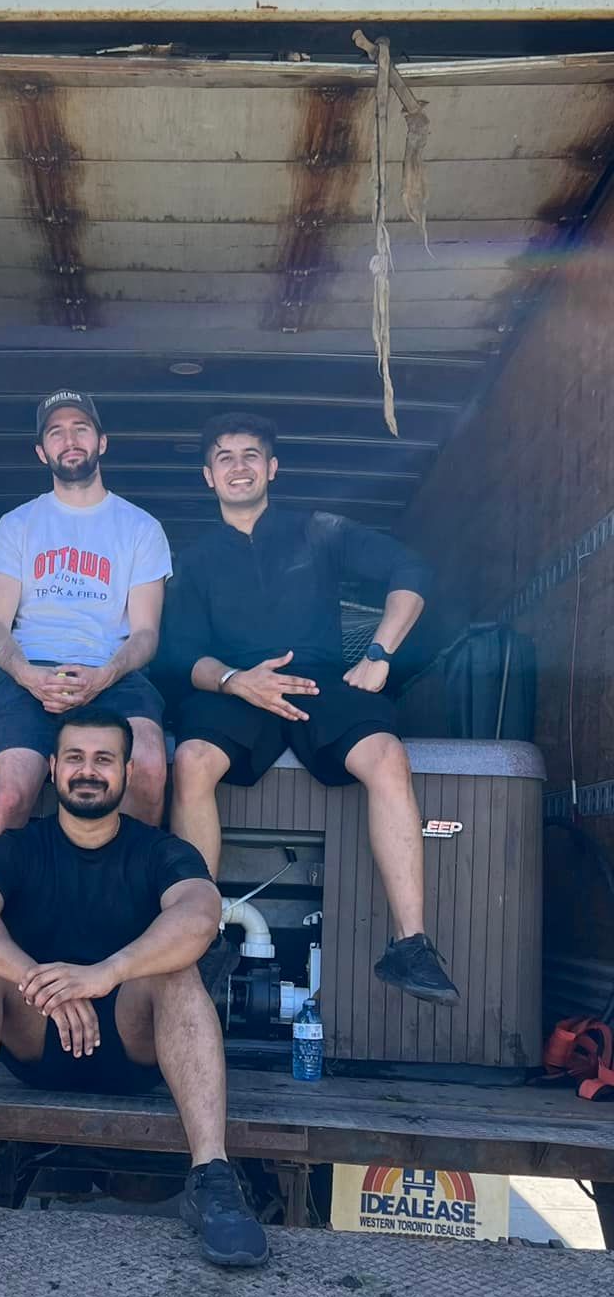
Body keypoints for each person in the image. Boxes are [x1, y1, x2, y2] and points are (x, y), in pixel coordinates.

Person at [0, 711, 270, 1270]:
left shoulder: (160, 851)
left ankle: (213, 1178)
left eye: (104, 759)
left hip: (135, 1046)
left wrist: (105, 973)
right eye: (75, 758)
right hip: (37, 1038)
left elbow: (200, 917)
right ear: (52, 769)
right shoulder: (15, 848)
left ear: (127, 772)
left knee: (177, 968)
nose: (88, 771)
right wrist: (40, 981)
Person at [163, 412, 458, 1007]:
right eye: (225, 457)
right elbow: (178, 657)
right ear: (207, 476)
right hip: (236, 684)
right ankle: (201, 935)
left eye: (251, 455)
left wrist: (379, 653)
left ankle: (411, 945)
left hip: (322, 679)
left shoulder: (320, 530)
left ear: (272, 468)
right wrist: (233, 680)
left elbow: (411, 569)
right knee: (192, 759)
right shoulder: (191, 561)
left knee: (386, 754)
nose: (238, 466)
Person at [0, 389, 172, 836]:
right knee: (11, 794)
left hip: (114, 675)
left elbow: (145, 634)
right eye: (56, 432)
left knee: (146, 772)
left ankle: (131, 898)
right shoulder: (16, 525)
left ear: (102, 442)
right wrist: (27, 675)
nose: (70, 440)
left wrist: (104, 675)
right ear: (41, 451)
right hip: (31, 673)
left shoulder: (140, 527)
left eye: (81, 428)